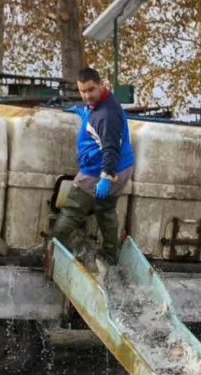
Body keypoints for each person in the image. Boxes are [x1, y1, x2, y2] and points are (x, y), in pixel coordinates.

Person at [50, 67, 135, 265]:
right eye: (82, 91)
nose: (87, 96)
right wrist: (85, 113)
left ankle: (52, 250)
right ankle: (111, 258)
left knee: (72, 210)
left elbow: (111, 148)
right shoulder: (101, 103)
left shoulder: (106, 115)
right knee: (105, 211)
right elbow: (96, 119)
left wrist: (106, 177)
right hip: (123, 166)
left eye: (91, 90)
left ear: (101, 85)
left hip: (101, 169)